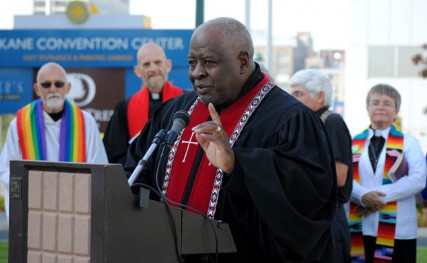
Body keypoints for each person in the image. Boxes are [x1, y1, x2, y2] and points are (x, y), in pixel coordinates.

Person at [125, 17, 337, 262]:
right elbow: (136, 175)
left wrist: (237, 165)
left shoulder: (290, 119)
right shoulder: (176, 113)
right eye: (192, 63)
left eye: (209, 62)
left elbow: (307, 205)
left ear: (243, 62)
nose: (196, 73)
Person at [0, 62, 108, 220]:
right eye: (46, 84)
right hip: (33, 208)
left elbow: (99, 168)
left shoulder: (86, 122)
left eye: (59, 84)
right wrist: (35, 189)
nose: (53, 89)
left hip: (74, 208)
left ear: (68, 87)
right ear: (37, 89)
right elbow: (7, 169)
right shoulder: (20, 123)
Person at [349, 84, 426, 263]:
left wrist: (375, 198)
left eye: (387, 103)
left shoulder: (409, 142)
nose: (381, 107)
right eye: (375, 102)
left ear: (396, 111)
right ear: (368, 108)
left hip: (399, 229)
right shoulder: (353, 142)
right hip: (359, 226)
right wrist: (362, 195)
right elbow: (344, 178)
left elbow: (418, 178)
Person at [289, 69, 353, 263]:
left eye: (298, 94)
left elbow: (339, 177)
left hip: (329, 219)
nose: (291, 99)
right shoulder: (309, 124)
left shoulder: (332, 122)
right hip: (312, 218)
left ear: (320, 96)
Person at [103, 43, 184, 166]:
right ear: (138, 71)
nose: (153, 68)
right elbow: (115, 154)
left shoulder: (186, 102)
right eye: (146, 64)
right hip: (138, 179)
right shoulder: (124, 108)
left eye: (158, 62)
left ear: (168, 65)